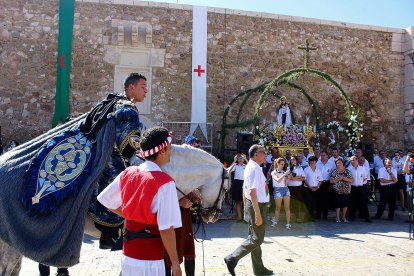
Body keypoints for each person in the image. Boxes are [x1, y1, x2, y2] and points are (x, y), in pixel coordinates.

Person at [97, 127, 182, 276]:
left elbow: (105, 199)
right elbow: (166, 229)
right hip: (151, 260)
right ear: (161, 151)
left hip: (128, 256)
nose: (171, 151)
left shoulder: (128, 173)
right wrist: (175, 263)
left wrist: (132, 215)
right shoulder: (165, 183)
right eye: (169, 147)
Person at [89, 72, 148, 249]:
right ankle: (113, 233)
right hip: (111, 160)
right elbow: (128, 146)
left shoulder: (115, 102)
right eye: (143, 87)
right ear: (132, 87)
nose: (146, 92)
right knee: (135, 185)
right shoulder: (128, 108)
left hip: (99, 156)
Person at [224, 145, 273, 276]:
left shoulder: (253, 167)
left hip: (255, 204)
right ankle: (232, 258)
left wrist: (248, 207)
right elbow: (252, 192)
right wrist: (257, 213)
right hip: (257, 206)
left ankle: (259, 269)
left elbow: (245, 190)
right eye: (263, 152)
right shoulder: (253, 169)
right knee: (257, 239)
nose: (265, 154)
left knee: (254, 238)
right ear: (256, 154)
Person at [348, 156, 371, 223]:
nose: (352, 161)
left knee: (363, 202)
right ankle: (352, 216)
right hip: (352, 187)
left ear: (357, 160)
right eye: (351, 160)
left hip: (361, 187)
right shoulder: (348, 169)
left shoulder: (362, 168)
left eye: (353, 160)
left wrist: (360, 182)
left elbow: (365, 177)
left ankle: (367, 217)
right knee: (352, 202)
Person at [270, 157, 291, 229]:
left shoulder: (284, 172)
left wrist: (288, 177)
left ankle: (288, 223)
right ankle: (275, 221)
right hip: (277, 190)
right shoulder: (273, 172)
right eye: (281, 164)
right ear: (278, 164)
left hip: (285, 189)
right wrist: (285, 174)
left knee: (287, 207)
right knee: (278, 207)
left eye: (283, 164)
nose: (283, 165)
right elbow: (278, 180)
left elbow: (285, 184)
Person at [228, 154, 248, 222]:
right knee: (238, 201)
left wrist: (246, 159)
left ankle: (245, 217)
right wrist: (234, 161)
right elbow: (229, 171)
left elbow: (252, 168)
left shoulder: (246, 166)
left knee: (244, 201)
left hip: (244, 183)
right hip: (237, 184)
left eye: (242, 158)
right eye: (239, 158)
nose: (240, 160)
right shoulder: (235, 166)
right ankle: (239, 217)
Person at [316, 150, 335, 219]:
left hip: (327, 183)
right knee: (318, 199)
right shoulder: (318, 164)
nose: (322, 157)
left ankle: (325, 215)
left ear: (327, 156)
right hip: (318, 183)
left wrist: (331, 184)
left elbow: (333, 174)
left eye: (324, 155)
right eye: (321, 155)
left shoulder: (331, 164)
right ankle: (318, 214)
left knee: (326, 200)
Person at [303, 156, 322, 221]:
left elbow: (320, 180)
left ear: (316, 162)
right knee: (309, 202)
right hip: (308, 189)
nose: (313, 162)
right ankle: (308, 216)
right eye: (311, 161)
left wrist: (317, 187)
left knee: (315, 203)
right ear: (309, 162)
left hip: (316, 189)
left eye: (314, 161)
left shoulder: (318, 170)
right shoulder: (306, 169)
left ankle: (313, 216)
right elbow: (305, 180)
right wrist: (310, 187)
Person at [287, 155, 306, 223]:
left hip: (298, 188)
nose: (292, 161)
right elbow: (289, 177)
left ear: (296, 160)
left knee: (297, 203)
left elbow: (303, 178)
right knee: (290, 203)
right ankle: (290, 218)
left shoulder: (300, 168)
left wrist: (294, 178)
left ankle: (298, 217)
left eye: (293, 160)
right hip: (290, 188)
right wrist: (298, 177)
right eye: (291, 160)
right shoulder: (288, 168)